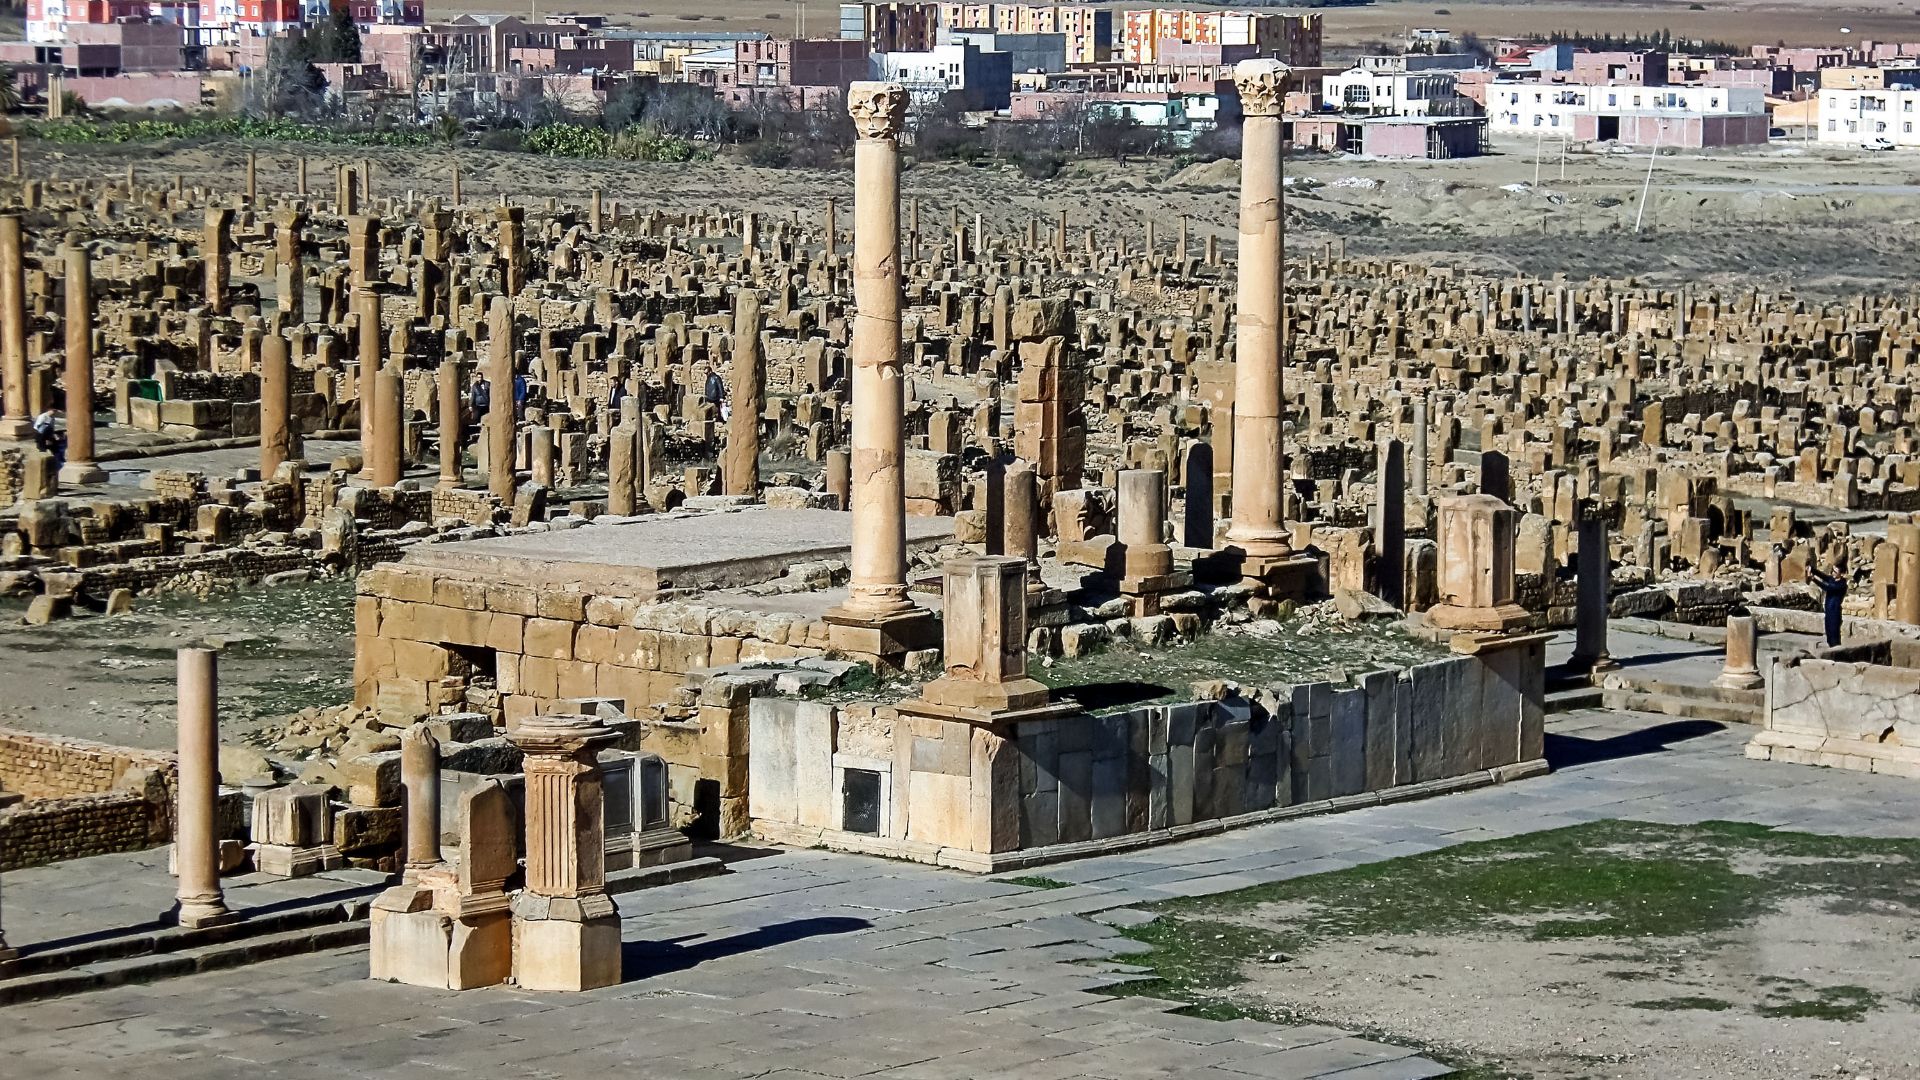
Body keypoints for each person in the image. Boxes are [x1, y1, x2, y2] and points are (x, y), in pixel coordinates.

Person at [1806, 565, 1848, 647]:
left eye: (1835, 572)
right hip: (1828, 611)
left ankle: (1836, 652)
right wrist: (1812, 569)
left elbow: (1828, 587)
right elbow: (1822, 576)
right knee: (1828, 634)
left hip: (1835, 612)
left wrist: (1814, 579)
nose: (1833, 573)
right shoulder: (1832, 579)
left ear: (1842, 574)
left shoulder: (1842, 585)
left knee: (1834, 634)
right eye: (1832, 570)